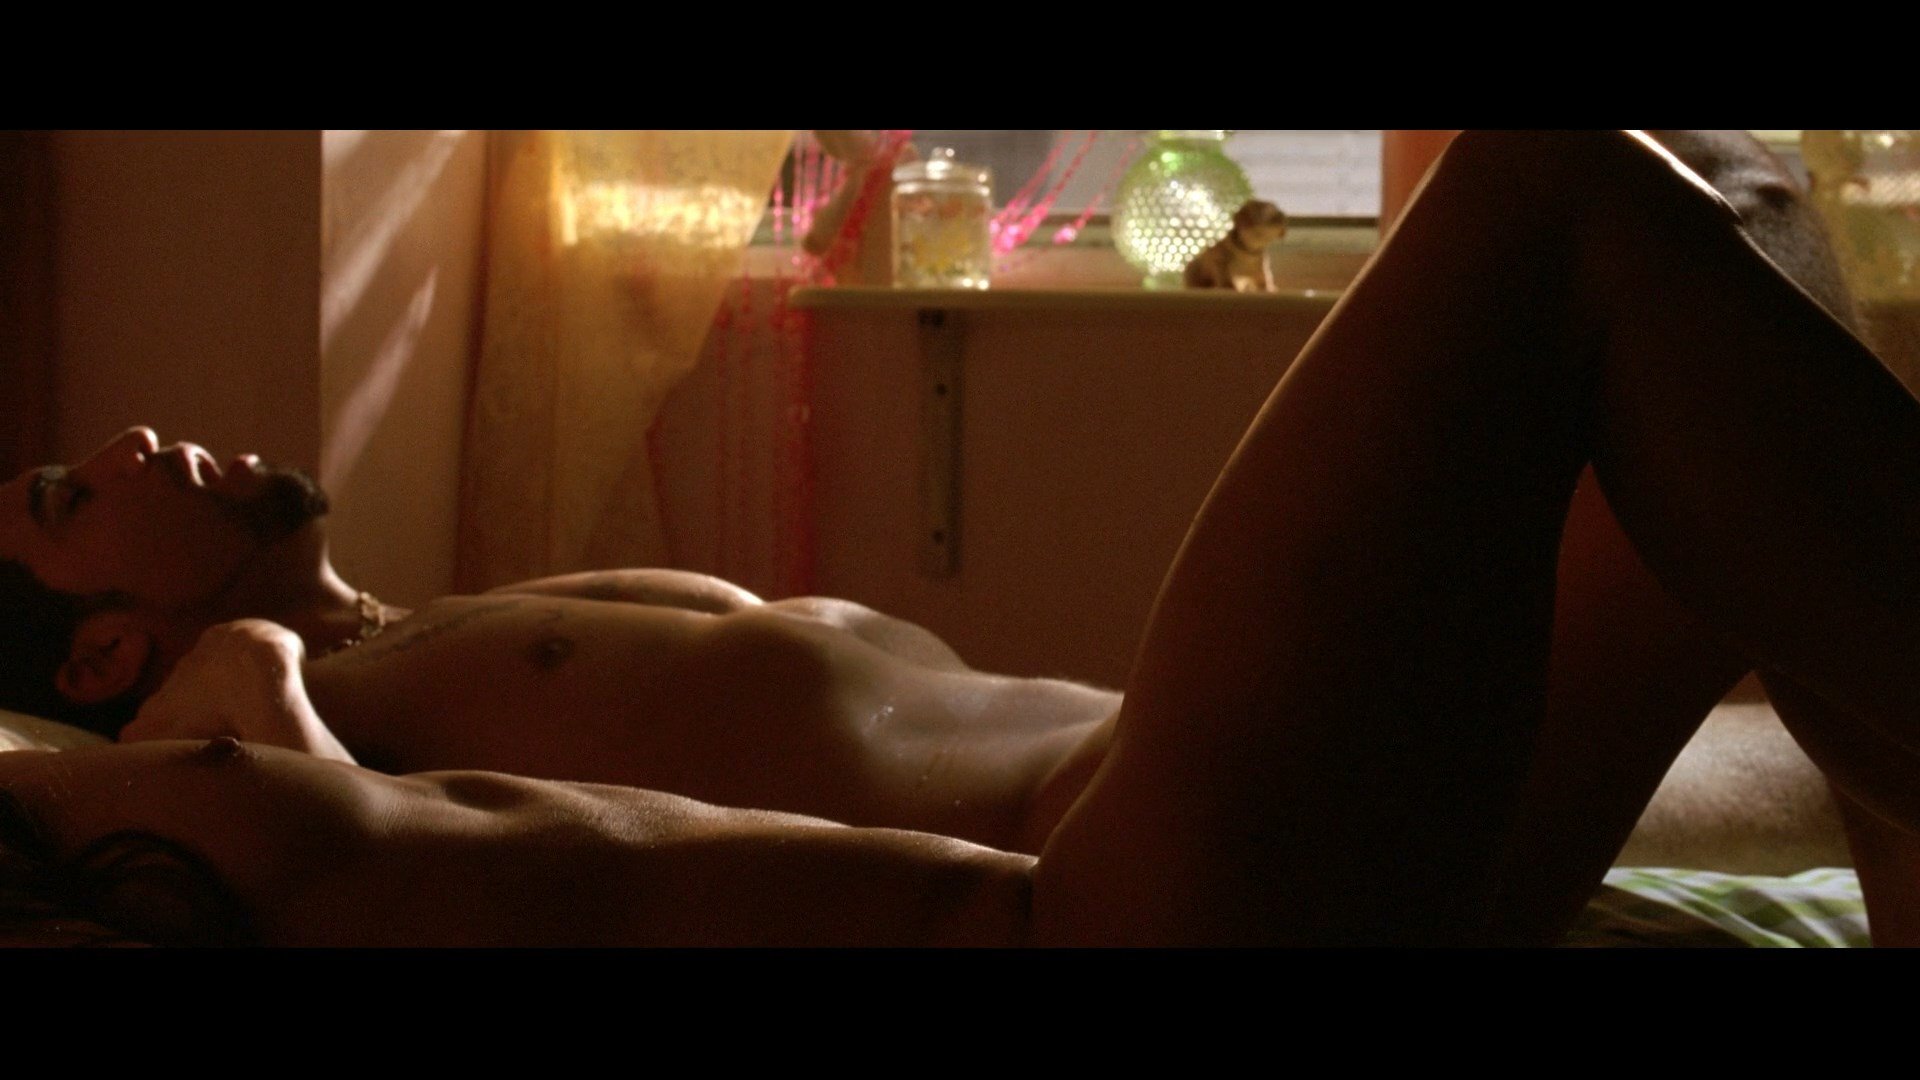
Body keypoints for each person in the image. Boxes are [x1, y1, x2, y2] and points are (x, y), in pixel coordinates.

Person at [2, 129, 1916, 947]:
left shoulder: (453, 612)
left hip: (1191, 785)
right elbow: (351, 863)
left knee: (1730, 203)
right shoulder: (254, 719)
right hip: (1127, 869)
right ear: (98, 654)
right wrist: (243, 682)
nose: (132, 439)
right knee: (1558, 185)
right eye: (69, 498)